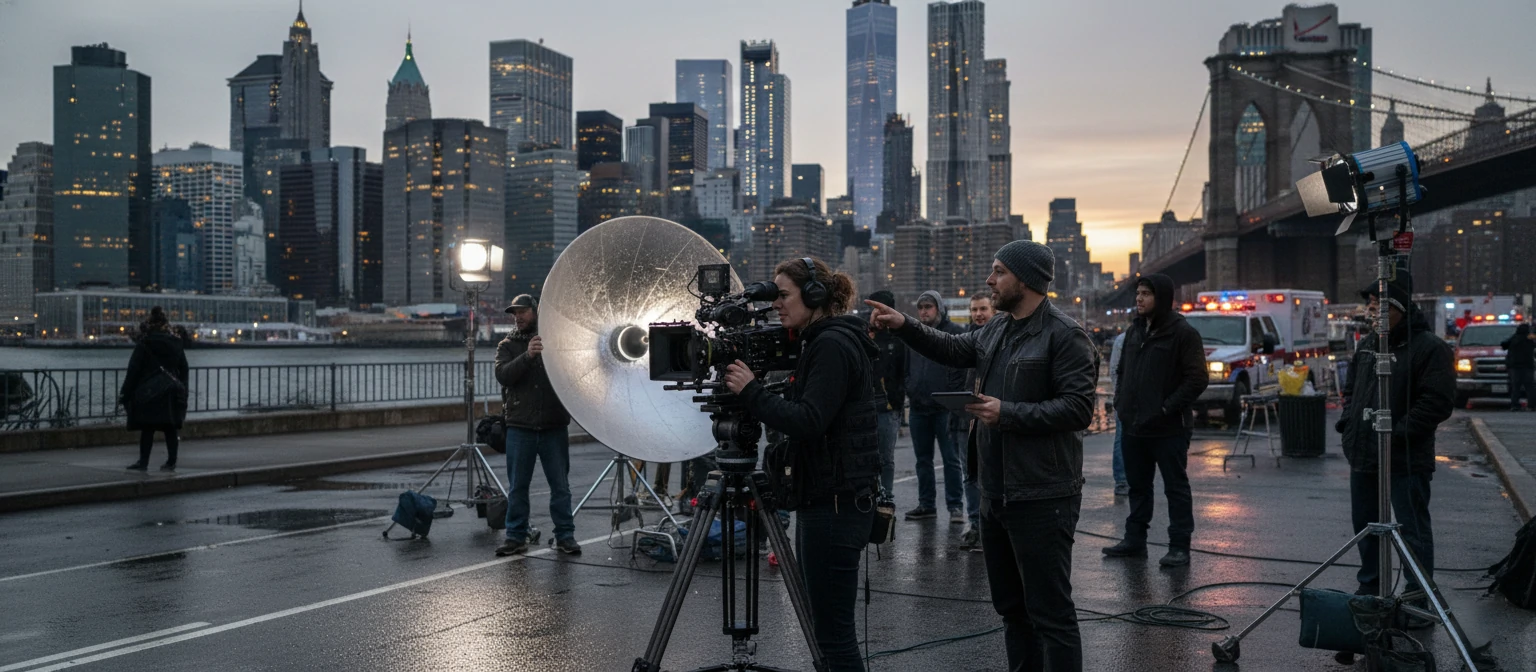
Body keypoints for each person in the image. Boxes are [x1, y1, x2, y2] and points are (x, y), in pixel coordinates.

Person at [867, 240, 1097, 671]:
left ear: (1026, 279)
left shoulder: (1066, 335)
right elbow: (953, 348)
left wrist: (1005, 412)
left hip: (1042, 495)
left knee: (1051, 614)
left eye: (998, 272)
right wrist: (903, 325)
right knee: (1012, 609)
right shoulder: (998, 328)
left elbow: (1079, 407)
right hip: (995, 491)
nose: (990, 281)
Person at [723, 257, 880, 672]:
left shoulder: (830, 345)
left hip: (833, 506)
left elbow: (810, 420)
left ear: (815, 296)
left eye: (784, 295)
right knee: (826, 630)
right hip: (830, 499)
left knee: (832, 636)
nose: (777, 304)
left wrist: (753, 392)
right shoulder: (823, 340)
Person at [1337, 279, 1454, 599]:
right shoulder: (1367, 345)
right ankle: (1371, 587)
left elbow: (1437, 402)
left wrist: (1398, 432)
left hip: (1405, 456)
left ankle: (1418, 595)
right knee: (1366, 525)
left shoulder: (1429, 348)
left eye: (1381, 304)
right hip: (1363, 453)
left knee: (1411, 529)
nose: (1373, 310)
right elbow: (1352, 392)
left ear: (1401, 309)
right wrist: (1349, 424)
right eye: (1371, 304)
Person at [1102, 274, 1207, 567]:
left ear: (1161, 297)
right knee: (1138, 487)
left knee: (1175, 487)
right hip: (1134, 426)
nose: (1139, 299)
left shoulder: (1183, 333)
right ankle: (1134, 539)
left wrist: (1166, 408)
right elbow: (1123, 372)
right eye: (1138, 293)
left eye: (1146, 294)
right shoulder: (1135, 331)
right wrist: (1123, 405)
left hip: (1169, 427)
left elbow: (1198, 378)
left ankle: (1179, 546)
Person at [494, 294, 580, 557]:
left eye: (523, 312)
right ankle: (515, 537)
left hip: (553, 425)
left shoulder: (554, 341)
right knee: (518, 486)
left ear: (535, 312)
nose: (518, 317)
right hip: (521, 426)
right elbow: (503, 375)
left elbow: (572, 373)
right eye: (514, 313)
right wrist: (528, 356)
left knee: (560, 486)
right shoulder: (507, 345)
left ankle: (565, 536)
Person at [904, 290, 968, 523]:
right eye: (921, 308)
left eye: (928, 307)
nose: (924, 312)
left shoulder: (955, 334)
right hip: (919, 407)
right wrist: (909, 386)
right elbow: (906, 367)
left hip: (945, 408)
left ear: (939, 308)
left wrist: (952, 395)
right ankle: (927, 505)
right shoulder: (915, 337)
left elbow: (962, 369)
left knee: (951, 460)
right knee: (923, 460)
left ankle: (955, 506)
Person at [119, 306, 189, 471]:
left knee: (148, 428)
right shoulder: (176, 343)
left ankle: (143, 462)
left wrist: (125, 393)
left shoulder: (145, 343)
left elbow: (133, 370)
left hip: (148, 391)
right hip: (171, 391)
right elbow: (184, 368)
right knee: (170, 428)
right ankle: (171, 461)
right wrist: (183, 389)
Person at [954, 292, 994, 550]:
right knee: (969, 474)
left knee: (989, 474)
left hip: (990, 417)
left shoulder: (999, 339)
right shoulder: (962, 341)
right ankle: (975, 525)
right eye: (974, 310)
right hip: (963, 417)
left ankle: (990, 527)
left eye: (983, 309)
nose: (978, 314)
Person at [867, 289, 907, 500]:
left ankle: (887, 497)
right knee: (865, 456)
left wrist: (897, 400)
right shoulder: (863, 334)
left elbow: (904, 371)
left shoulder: (898, 337)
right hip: (865, 405)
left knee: (886, 458)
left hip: (888, 407)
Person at [1107, 329, 1129, 496]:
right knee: (1122, 438)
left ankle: (1124, 480)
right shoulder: (1124, 340)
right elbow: (1114, 370)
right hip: (1127, 399)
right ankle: (1121, 480)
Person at [1501, 323, 1535, 411]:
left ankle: (1515, 405)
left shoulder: (1514, 339)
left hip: (1515, 367)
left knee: (1515, 387)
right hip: (1528, 366)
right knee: (1530, 387)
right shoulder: (1530, 339)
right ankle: (1531, 405)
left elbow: (1504, 345)